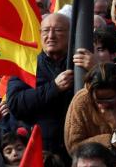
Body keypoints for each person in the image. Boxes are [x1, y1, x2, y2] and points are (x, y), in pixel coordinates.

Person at [7, 13, 74, 162]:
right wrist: (54, 87)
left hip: (75, 149)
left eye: (58, 30)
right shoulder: (27, 66)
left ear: (71, 33)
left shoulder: (79, 64)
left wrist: (93, 66)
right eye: (46, 31)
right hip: (41, 151)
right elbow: (15, 103)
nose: (51, 36)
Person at [64, 63, 116, 157]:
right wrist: (108, 141)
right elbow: (73, 147)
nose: (103, 104)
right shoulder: (81, 101)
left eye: (109, 98)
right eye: (99, 100)